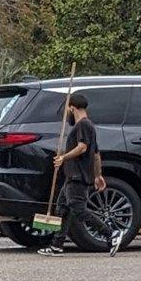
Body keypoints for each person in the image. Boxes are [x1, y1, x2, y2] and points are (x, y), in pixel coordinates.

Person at [38, 93, 122, 256]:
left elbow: (82, 147)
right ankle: (57, 244)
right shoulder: (88, 126)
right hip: (74, 176)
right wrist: (98, 175)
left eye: (67, 110)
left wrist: (63, 157)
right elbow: (96, 154)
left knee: (78, 209)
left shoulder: (82, 125)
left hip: (77, 176)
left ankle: (110, 233)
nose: (66, 114)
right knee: (63, 208)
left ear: (72, 108)